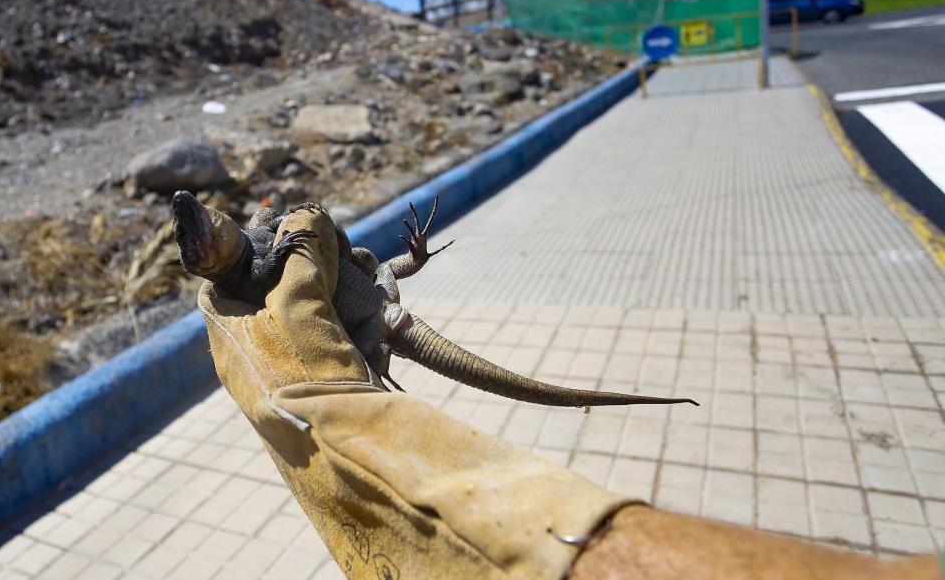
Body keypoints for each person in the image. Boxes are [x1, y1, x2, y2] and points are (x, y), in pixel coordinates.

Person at [197, 206, 941, 580]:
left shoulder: (277, 250)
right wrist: (400, 274)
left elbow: (357, 266)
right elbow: (365, 268)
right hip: (380, 311)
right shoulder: (299, 245)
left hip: (381, 318)